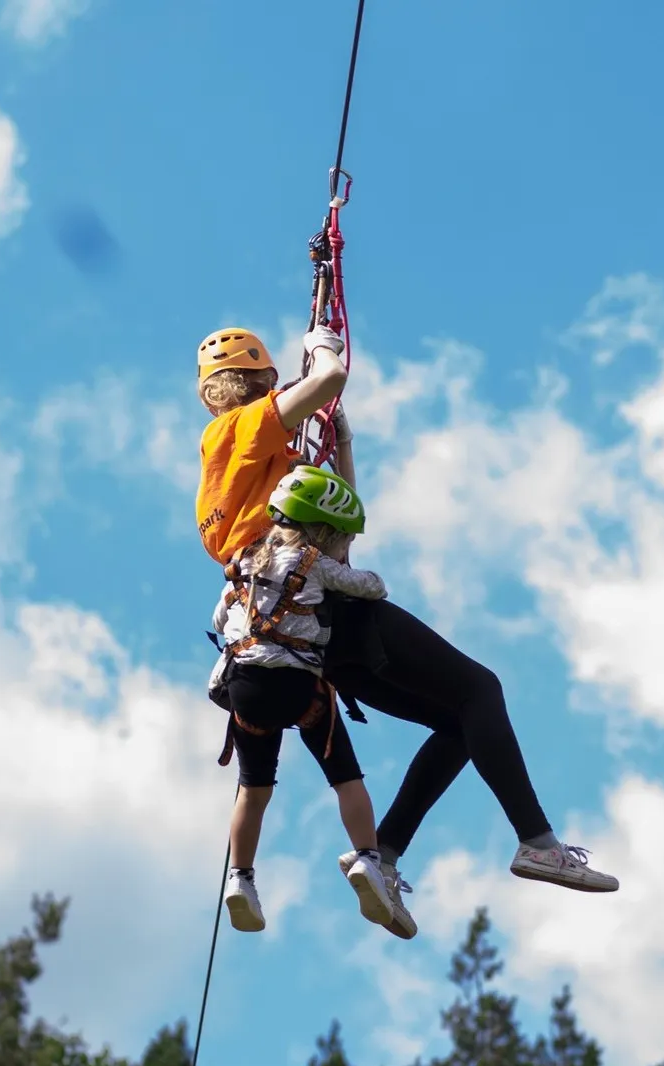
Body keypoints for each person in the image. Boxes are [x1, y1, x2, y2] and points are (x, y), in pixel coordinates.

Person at [192, 323, 618, 943]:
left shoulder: (247, 476)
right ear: (254, 383)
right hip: (326, 611)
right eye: (271, 379)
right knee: (481, 690)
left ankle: (382, 859)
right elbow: (330, 379)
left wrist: (341, 447)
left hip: (297, 635)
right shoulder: (236, 430)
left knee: (460, 723)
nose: (280, 386)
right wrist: (322, 345)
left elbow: (340, 524)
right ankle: (536, 841)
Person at [206, 465, 400, 935]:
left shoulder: (243, 559)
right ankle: (369, 859)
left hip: (243, 687)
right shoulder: (315, 564)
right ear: (321, 530)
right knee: (345, 778)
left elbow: (218, 620)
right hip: (298, 686)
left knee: (254, 791)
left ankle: (241, 878)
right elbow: (374, 586)